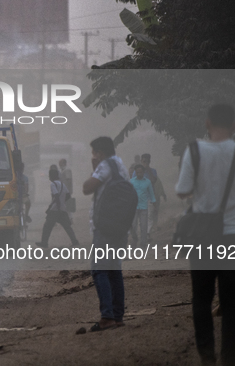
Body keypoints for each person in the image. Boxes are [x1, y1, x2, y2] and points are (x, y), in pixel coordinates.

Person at [176, 104, 235, 366]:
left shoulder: (194, 150)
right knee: (231, 302)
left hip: (203, 236)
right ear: (234, 126)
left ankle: (207, 358)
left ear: (207, 123)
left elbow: (183, 190)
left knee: (201, 298)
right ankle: (229, 360)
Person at [82, 136, 128, 332]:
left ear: (99, 153)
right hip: (119, 225)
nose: (93, 156)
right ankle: (117, 316)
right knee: (114, 271)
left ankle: (107, 316)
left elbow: (86, 188)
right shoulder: (120, 165)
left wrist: (95, 167)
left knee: (99, 270)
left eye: (94, 153)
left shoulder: (104, 165)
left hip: (105, 227)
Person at [36, 167, 78, 248]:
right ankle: (75, 241)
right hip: (62, 209)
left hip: (55, 209)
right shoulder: (62, 184)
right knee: (67, 227)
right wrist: (64, 205)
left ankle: (44, 243)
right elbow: (68, 196)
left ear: (51, 177)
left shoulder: (53, 184)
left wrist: (58, 206)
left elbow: (56, 196)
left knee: (47, 226)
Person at [129, 164, 156, 248]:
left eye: (141, 172)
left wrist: (154, 202)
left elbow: (151, 194)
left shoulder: (147, 182)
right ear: (135, 172)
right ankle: (135, 238)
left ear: (144, 172)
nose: (139, 174)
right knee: (133, 225)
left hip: (144, 206)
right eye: (137, 172)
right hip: (134, 207)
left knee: (144, 226)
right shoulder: (131, 181)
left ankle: (143, 243)